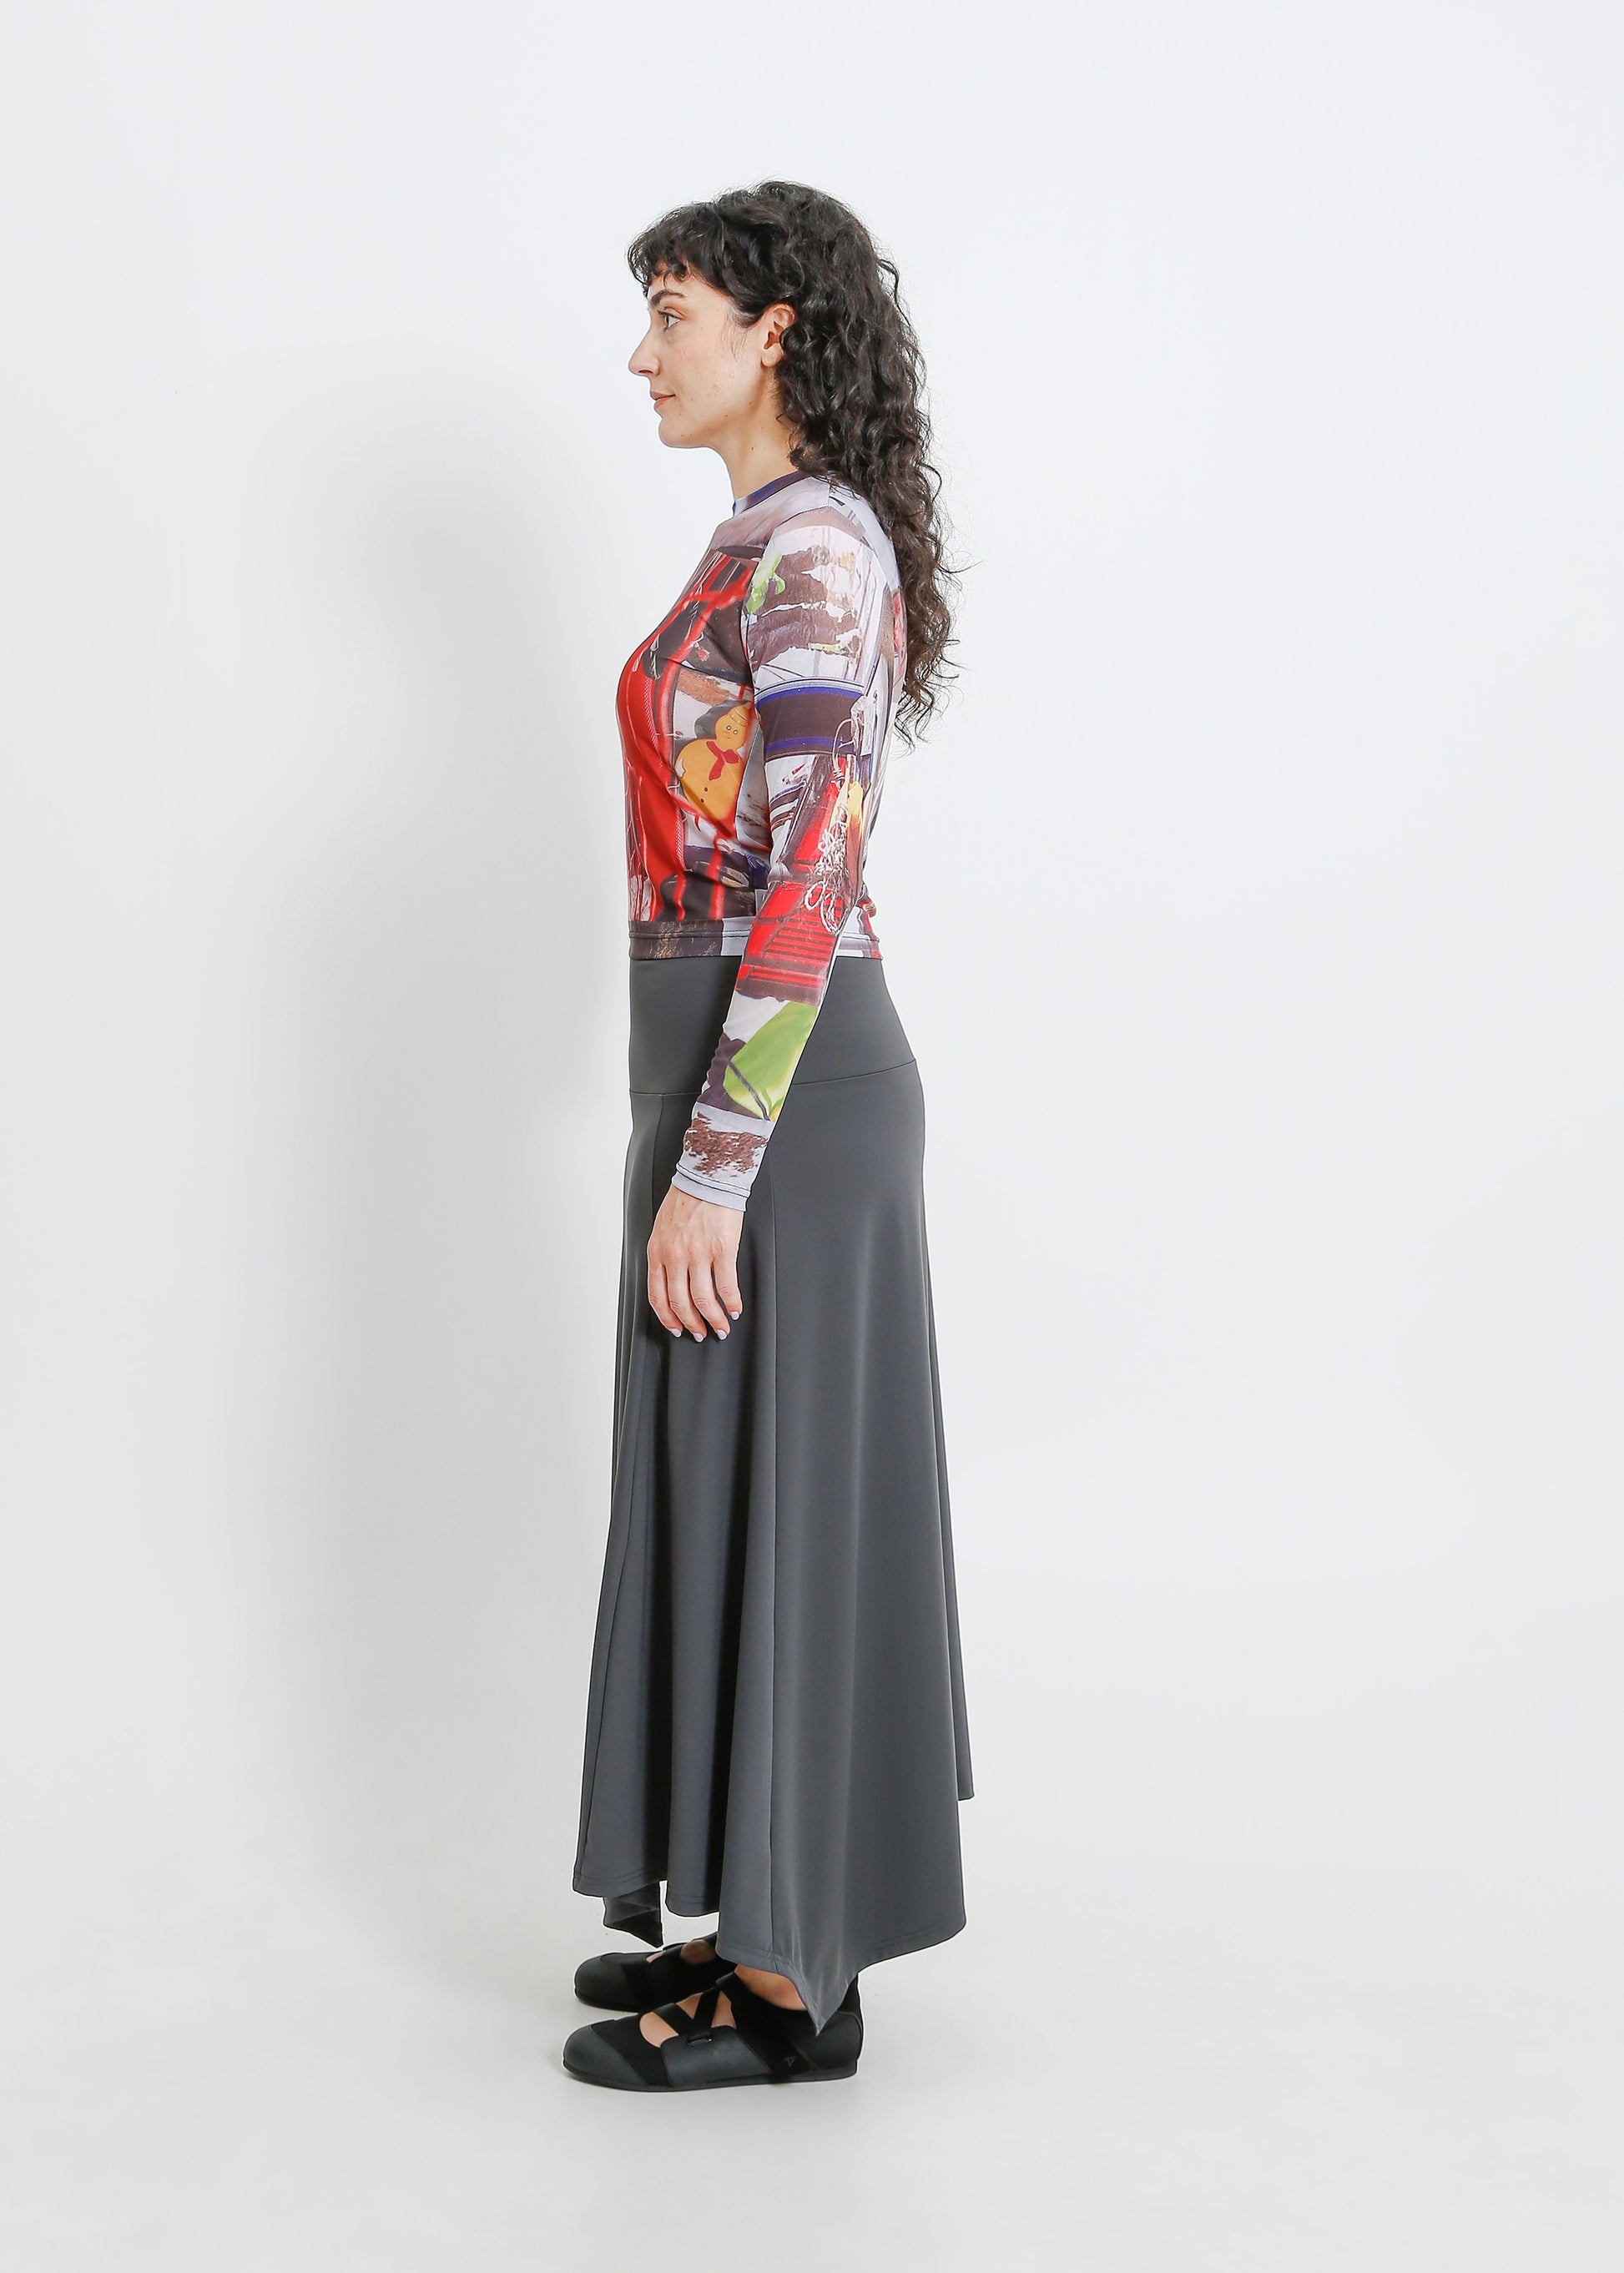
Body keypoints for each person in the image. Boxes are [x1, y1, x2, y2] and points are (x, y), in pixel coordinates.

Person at [564, 181, 973, 2094]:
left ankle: (795, 1995)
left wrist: (717, 1164)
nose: (642, 355)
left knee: (787, 1506)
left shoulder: (809, 551)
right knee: (731, 1488)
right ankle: (756, 1909)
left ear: (774, 329)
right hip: (733, 1074)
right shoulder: (764, 538)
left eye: (672, 312)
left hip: (787, 1098)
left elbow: (813, 866)